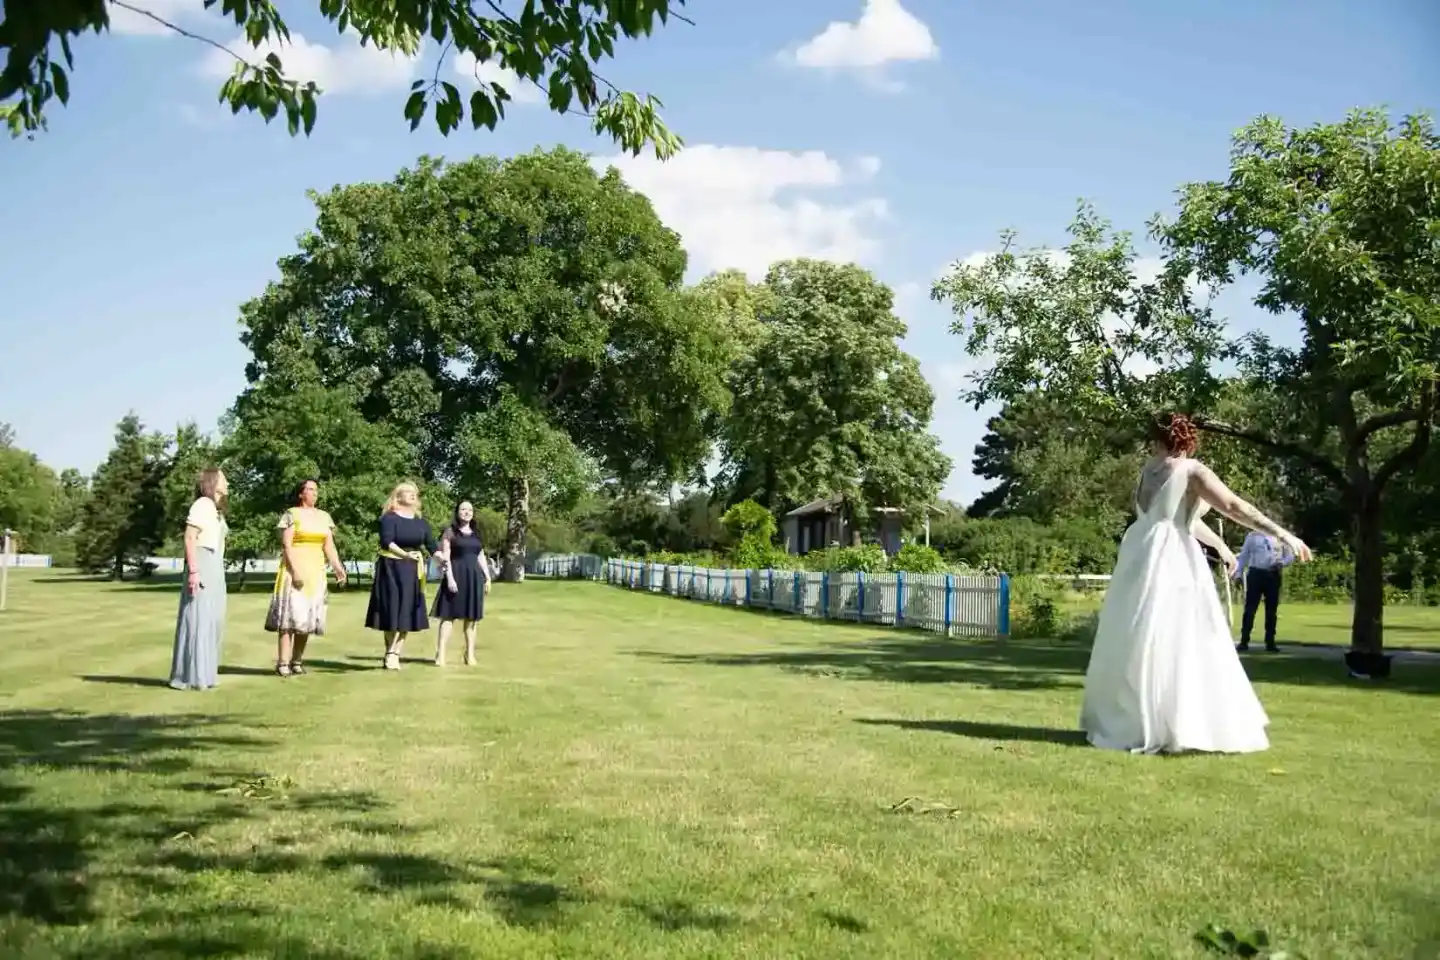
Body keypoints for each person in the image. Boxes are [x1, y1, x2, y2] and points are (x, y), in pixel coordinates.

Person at [1079, 413, 1312, 755]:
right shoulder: (1191, 471)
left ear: (1156, 438)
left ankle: (1139, 721)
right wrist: (1282, 533)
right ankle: (1173, 724)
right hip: (1170, 560)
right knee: (1182, 635)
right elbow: (1233, 506)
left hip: (1139, 554)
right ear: (1187, 438)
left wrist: (1220, 547)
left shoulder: (1148, 471)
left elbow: (1174, 519)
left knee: (1140, 637)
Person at [264, 478, 347, 677]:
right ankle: (283, 662)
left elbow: (328, 545)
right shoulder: (292, 514)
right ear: (301, 494)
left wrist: (338, 567)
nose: (314, 493)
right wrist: (295, 571)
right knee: (289, 618)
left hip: (316, 572)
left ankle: (297, 661)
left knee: (306, 620)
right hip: (294, 570)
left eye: (316, 490)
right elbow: (287, 545)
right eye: (310, 489)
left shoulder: (324, 517)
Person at [366, 481, 439, 670]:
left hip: (412, 571)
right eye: (407, 492)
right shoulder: (389, 518)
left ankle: (395, 652)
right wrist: (405, 555)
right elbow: (387, 542)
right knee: (391, 611)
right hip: (390, 567)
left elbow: (431, 546)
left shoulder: (421, 522)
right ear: (398, 497)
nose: (413, 495)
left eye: (415, 492)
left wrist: (442, 558)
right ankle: (389, 651)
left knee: (406, 612)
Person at [169, 468, 230, 690]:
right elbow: (190, 537)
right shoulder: (202, 504)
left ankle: (205, 674)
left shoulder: (215, 510)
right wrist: (194, 570)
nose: (228, 483)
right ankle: (189, 675)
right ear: (213, 482)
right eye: (224, 479)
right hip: (203, 562)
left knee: (212, 620)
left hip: (215, 565)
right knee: (197, 618)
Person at [432, 501, 494, 666]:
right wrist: (450, 578)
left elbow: (480, 556)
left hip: (474, 578)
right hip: (455, 576)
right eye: (463, 509)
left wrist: (487, 577)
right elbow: (446, 557)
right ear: (457, 512)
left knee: (471, 619)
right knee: (448, 617)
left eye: (470, 509)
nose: (467, 512)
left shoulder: (476, 533)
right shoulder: (450, 532)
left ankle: (470, 655)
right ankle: (441, 655)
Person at [1233, 526, 1294, 653]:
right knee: (1250, 609)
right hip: (1256, 573)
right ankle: (1244, 641)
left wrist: (1282, 562)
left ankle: (1270, 642)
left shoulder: (1280, 537)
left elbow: (1290, 556)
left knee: (1271, 610)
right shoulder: (1252, 537)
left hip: (1273, 574)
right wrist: (1238, 573)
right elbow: (1244, 555)